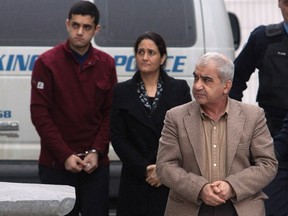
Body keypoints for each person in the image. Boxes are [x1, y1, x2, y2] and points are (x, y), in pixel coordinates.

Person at [156, 52, 278, 216]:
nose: (197, 86)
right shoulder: (175, 117)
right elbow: (165, 166)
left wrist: (232, 186)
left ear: (226, 86)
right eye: (196, 78)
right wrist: (199, 189)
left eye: (206, 80)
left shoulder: (253, 116)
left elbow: (267, 164)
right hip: (189, 207)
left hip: (240, 208)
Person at [30, 1, 117, 216]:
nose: (80, 32)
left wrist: (97, 151)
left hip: (95, 167)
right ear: (67, 24)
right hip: (55, 166)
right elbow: (40, 114)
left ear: (96, 29)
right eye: (75, 25)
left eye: (87, 27)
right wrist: (65, 155)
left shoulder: (106, 64)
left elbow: (110, 114)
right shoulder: (47, 62)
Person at [110, 31, 192, 216]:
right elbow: (117, 137)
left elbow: (186, 134)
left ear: (162, 58)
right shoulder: (122, 91)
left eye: (151, 52)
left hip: (169, 178)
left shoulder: (179, 89)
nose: (145, 57)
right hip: (135, 177)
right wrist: (144, 168)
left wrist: (162, 170)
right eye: (140, 52)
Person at [229, 1, 288, 215]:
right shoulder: (264, 38)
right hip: (272, 144)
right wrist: (237, 123)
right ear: (280, 4)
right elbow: (234, 81)